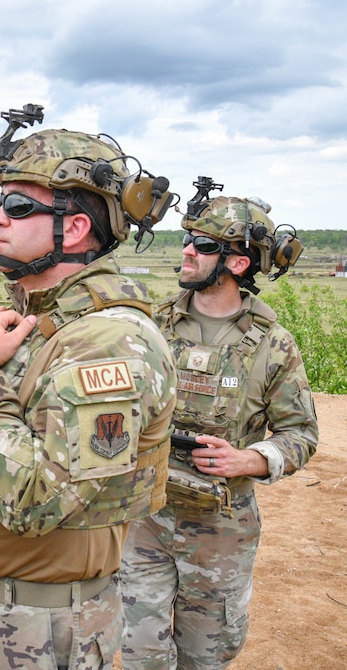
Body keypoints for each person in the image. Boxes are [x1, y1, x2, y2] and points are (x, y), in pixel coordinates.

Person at [0, 105, 178, 669]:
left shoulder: (107, 343)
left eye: (17, 205)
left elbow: (35, 502)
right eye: (1, 201)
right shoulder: (32, 324)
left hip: (50, 628)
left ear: (74, 229)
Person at [119, 181, 319, 669]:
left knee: (205, 656)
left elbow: (302, 434)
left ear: (238, 263)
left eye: (203, 245)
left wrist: (249, 459)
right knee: (138, 648)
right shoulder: (151, 324)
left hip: (221, 532)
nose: (187, 251)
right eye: (187, 239)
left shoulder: (273, 344)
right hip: (144, 518)